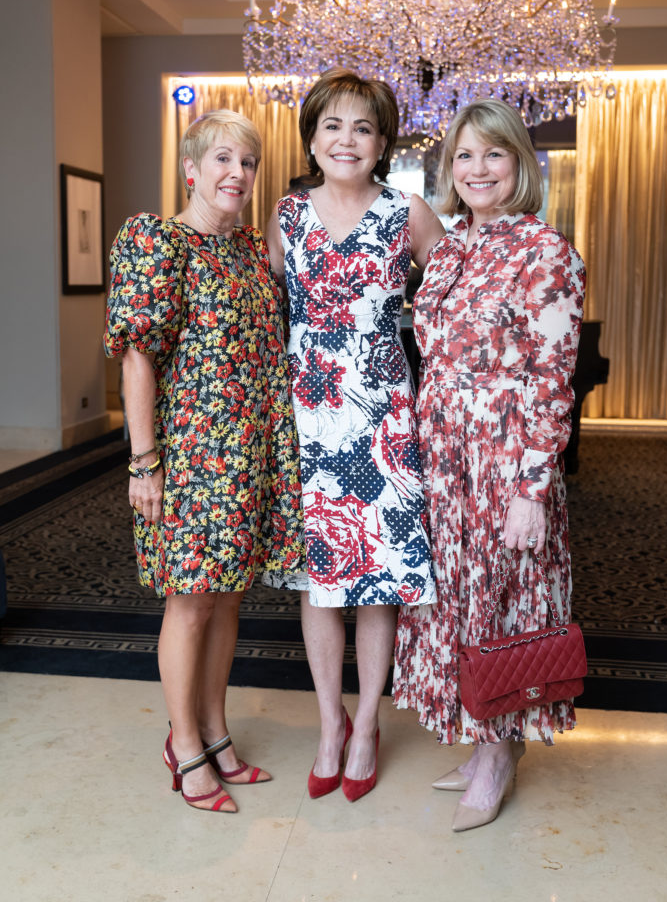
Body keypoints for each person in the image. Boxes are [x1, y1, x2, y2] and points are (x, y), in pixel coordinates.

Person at [393, 98, 586, 831]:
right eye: (463, 157)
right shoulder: (447, 249)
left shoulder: (546, 252)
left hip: (506, 460)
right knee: (457, 603)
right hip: (445, 461)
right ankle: (481, 739)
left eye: (493, 154)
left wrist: (533, 486)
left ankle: (502, 753)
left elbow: (550, 375)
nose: (477, 170)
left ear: (520, 165)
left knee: (504, 602)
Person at [104, 109, 304, 813]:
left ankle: (217, 732)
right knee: (189, 602)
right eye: (222, 159)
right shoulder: (159, 240)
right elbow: (137, 357)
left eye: (247, 163)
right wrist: (143, 462)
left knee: (227, 600)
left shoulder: (251, 249)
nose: (236, 175)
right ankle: (184, 743)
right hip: (189, 454)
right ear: (191, 168)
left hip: (247, 455)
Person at [265, 68, 444, 801]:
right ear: (311, 137)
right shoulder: (286, 214)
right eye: (332, 125)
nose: (346, 139)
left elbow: (453, 303)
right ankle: (328, 723)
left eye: (362, 128)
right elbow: (267, 305)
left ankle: (367, 722)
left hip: (382, 418)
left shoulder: (408, 212)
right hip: (308, 417)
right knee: (320, 583)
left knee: (377, 586)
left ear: (382, 144)